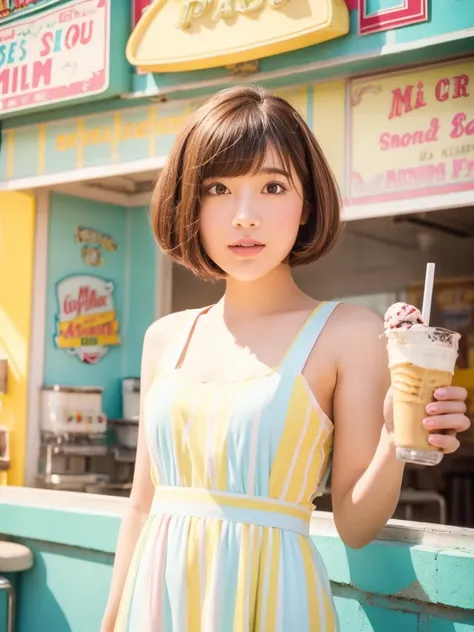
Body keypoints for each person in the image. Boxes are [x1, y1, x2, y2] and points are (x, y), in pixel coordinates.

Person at [101, 86, 470, 632]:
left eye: (273, 186)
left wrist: (395, 440)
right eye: (218, 188)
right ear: (189, 204)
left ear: (307, 206)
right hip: (158, 607)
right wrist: (110, 623)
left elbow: (355, 524)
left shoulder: (348, 334)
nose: (245, 216)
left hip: (273, 604)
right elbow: (140, 509)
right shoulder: (166, 336)